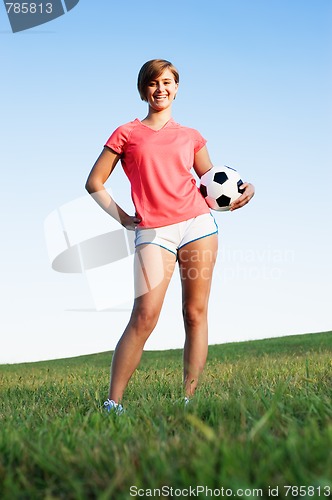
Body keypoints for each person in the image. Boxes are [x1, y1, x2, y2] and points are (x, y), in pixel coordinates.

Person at [85, 59, 255, 412]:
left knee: (195, 313)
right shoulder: (126, 133)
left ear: (176, 88)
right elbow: (94, 182)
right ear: (143, 90)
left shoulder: (191, 136)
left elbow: (213, 183)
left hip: (197, 226)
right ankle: (112, 404)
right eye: (152, 83)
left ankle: (188, 400)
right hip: (153, 231)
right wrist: (123, 218)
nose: (160, 89)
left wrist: (245, 189)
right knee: (144, 315)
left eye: (167, 82)